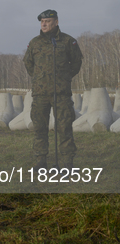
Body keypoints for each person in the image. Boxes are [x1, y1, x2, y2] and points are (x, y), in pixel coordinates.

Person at [23, 9, 82, 170]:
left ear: (56, 22)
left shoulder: (68, 41)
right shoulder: (35, 42)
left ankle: (67, 163)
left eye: (47, 21)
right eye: (42, 21)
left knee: (64, 128)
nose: (44, 24)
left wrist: (65, 77)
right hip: (40, 94)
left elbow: (76, 63)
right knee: (39, 128)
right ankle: (40, 161)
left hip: (61, 93)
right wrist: (39, 78)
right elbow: (28, 63)